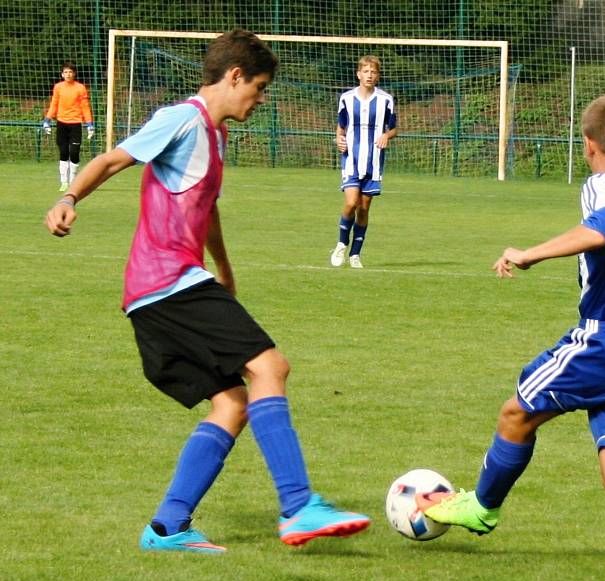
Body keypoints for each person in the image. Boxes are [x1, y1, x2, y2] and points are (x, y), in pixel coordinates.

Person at [44, 29, 370, 554]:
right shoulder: (182, 119)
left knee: (232, 403)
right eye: (259, 88)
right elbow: (110, 160)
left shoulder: (214, 137)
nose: (260, 100)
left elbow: (206, 207)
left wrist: (224, 268)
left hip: (163, 289)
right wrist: (69, 197)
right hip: (167, 282)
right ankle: (297, 505)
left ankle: (167, 528)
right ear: (234, 76)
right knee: (270, 367)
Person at [419, 95, 605, 581]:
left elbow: (599, 231)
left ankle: (481, 509)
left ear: (588, 146)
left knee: (516, 413)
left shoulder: (600, 185)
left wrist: (530, 253)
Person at [330, 55, 397, 269]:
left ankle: (355, 254)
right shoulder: (346, 99)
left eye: (373, 72)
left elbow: (393, 128)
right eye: (366, 71)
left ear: (378, 76)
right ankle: (341, 243)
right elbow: (341, 128)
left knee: (364, 208)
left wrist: (387, 136)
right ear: (358, 74)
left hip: (374, 161)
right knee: (351, 203)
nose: (369, 75)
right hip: (351, 159)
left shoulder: (386, 99)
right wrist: (338, 141)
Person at [43, 61, 95, 192]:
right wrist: (47, 120)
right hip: (61, 123)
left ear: (74, 74)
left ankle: (73, 179)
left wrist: (89, 124)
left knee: (74, 152)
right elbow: (54, 104)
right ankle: (64, 181)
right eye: (66, 72)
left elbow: (85, 107)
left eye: (70, 72)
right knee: (64, 152)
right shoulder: (58, 87)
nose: (68, 74)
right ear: (62, 74)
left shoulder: (80, 88)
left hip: (75, 124)